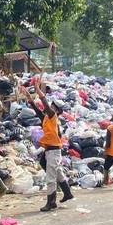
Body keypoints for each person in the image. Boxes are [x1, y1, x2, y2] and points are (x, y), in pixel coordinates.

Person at [21, 79, 74, 212]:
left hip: (53, 150)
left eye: (51, 106)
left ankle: (51, 202)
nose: (48, 107)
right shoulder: (46, 118)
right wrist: (28, 96)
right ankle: (67, 193)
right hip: (50, 150)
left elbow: (44, 103)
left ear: (55, 109)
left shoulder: (52, 115)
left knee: (51, 177)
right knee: (56, 171)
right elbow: (36, 108)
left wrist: (38, 90)